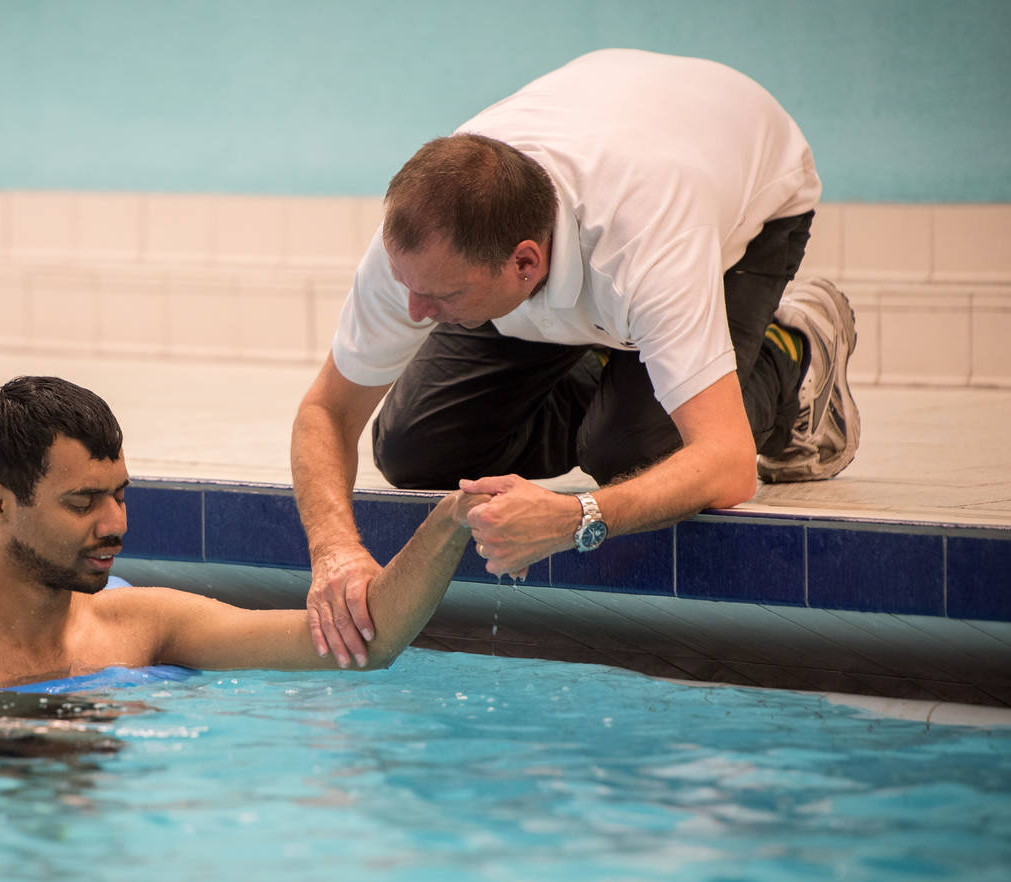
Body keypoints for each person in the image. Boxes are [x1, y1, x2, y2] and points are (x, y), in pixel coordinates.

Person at [291, 49, 861, 668]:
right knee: (416, 448)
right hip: (605, 181)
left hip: (749, 186)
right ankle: (639, 362)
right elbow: (326, 410)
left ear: (525, 262)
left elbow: (727, 466)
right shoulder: (426, 246)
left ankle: (791, 350)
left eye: (441, 295)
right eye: (409, 285)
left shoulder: (647, 244)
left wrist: (576, 518)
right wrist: (335, 552)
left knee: (634, 454)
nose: (415, 310)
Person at [0, 376, 483, 703]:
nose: (115, 524)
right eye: (83, 503)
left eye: (119, 494)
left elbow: (368, 644)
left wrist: (457, 516)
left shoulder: (144, 623)